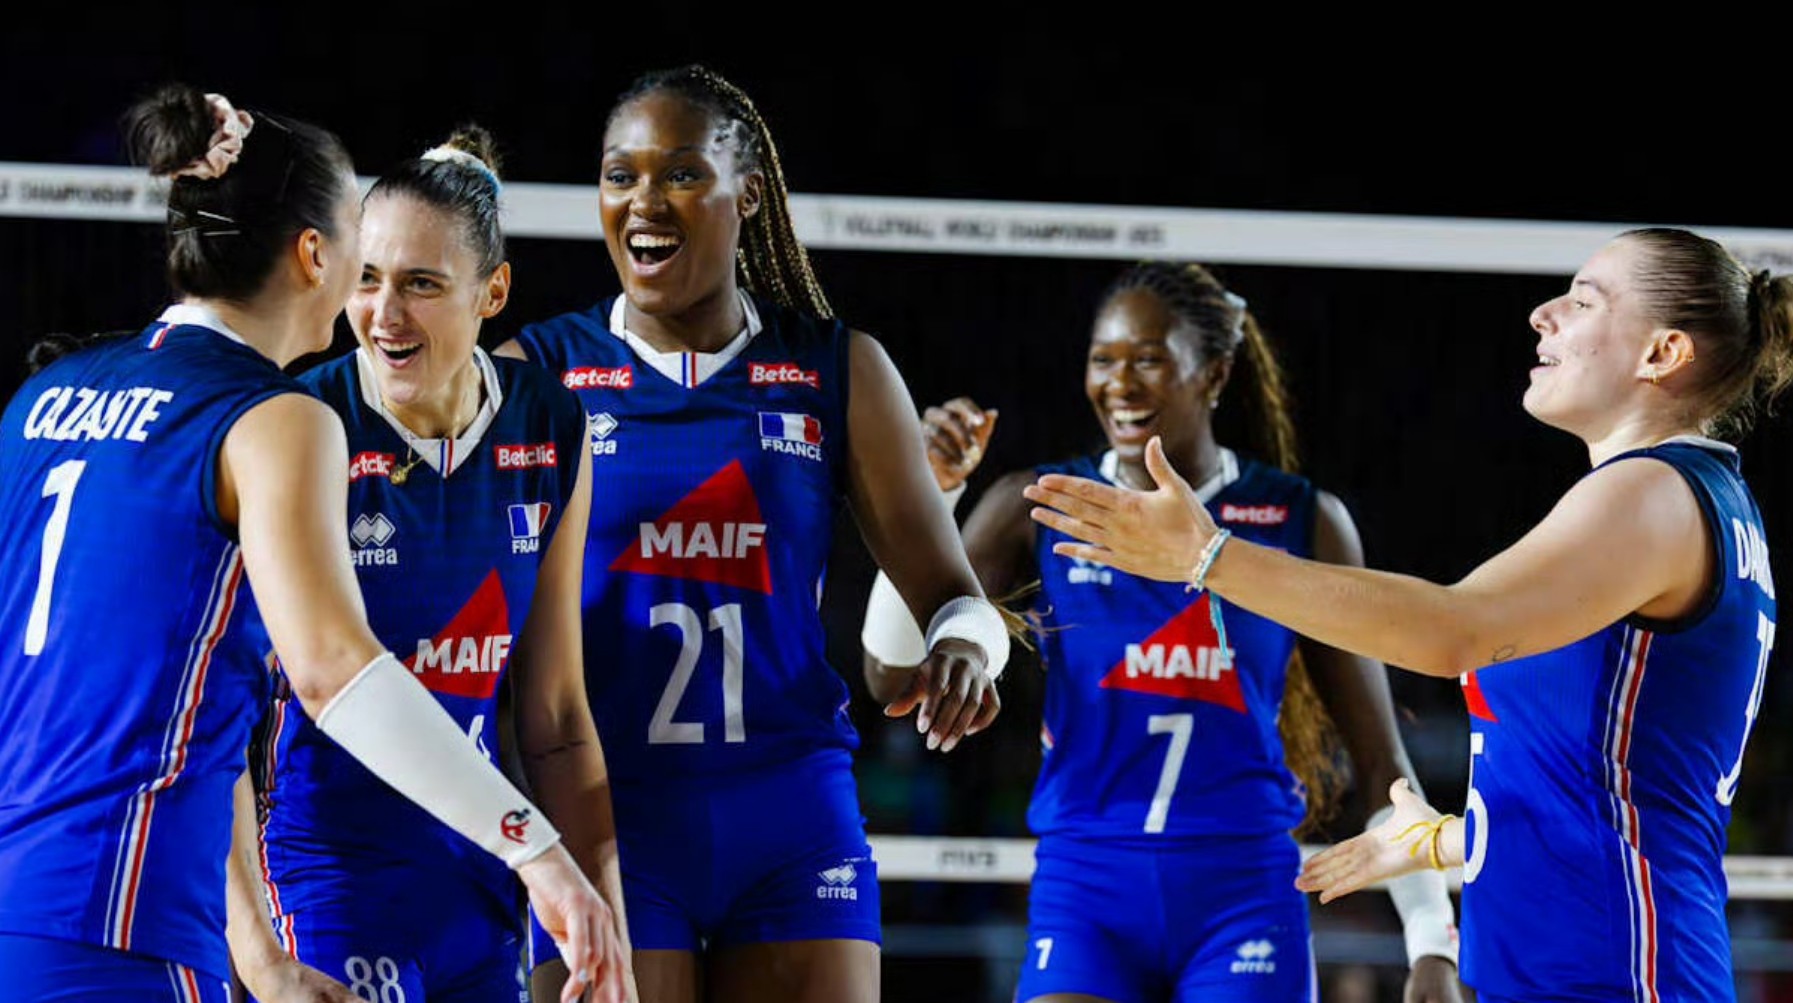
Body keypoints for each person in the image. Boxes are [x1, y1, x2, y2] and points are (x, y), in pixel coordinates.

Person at [1026, 228, 1787, 1002]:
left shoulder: (1650, 494)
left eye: (1583, 301)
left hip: (1619, 974)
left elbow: (1451, 629)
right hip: (1588, 964)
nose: (1542, 313)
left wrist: (1207, 555)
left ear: (1661, 352)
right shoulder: (1691, 500)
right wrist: (1452, 839)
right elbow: (1628, 790)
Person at [0, 85, 619, 1002]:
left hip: (24, 898)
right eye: (362, 257)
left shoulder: (45, 397)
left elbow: (178, 704)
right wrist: (537, 848)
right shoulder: (276, 418)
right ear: (316, 254)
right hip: (134, 911)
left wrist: (260, 961)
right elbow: (334, 674)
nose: (378, 301)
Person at [494, 64, 1012, 1003]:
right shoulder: (537, 372)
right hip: (605, 807)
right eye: (620, 175)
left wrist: (967, 648)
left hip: (789, 808)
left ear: (749, 196)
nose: (644, 200)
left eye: (682, 173)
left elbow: (953, 599)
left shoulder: (837, 368)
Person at [861, 261, 1463, 1003]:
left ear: (1213, 374)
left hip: (1241, 890)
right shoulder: (1040, 505)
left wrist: (1431, 944)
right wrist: (932, 494)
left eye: (1147, 359)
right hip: (1088, 885)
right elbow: (890, 674)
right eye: (1103, 359)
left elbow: (1380, 762)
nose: (1120, 382)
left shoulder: (1299, 518)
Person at [224, 127, 636, 1002]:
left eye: (421, 283)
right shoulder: (297, 422)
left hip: (483, 875)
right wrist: (254, 946)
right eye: (367, 277)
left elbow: (557, 718)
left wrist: (608, 931)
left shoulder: (550, 423)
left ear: (493, 292)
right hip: (329, 873)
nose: (385, 313)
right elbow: (220, 701)